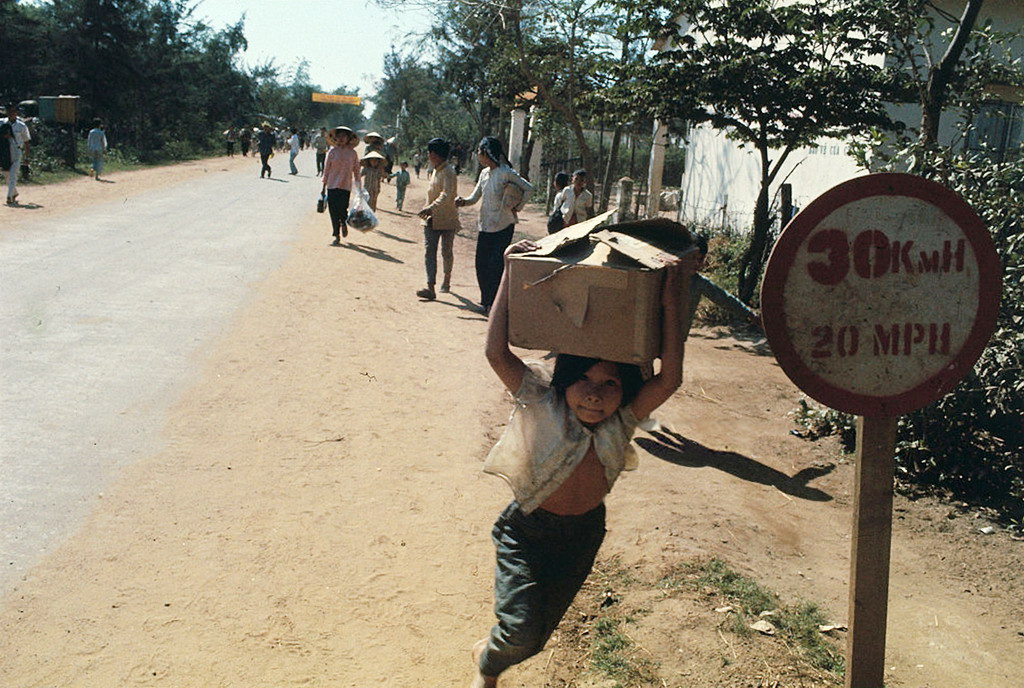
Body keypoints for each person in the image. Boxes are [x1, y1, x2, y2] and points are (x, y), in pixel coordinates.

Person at [471, 239, 693, 688]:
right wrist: (511, 272)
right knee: (521, 631)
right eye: (584, 380)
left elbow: (670, 376)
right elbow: (497, 353)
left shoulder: (623, 419)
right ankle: (488, 664)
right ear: (565, 380)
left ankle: (500, 646)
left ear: (625, 389)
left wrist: (670, 304)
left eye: (610, 383)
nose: (595, 393)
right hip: (527, 531)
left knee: (536, 637)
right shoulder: (541, 400)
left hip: (583, 535)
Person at [455, 136, 533, 314]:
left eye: (479, 152)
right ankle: (487, 301)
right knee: (481, 264)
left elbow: (529, 188)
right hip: (486, 225)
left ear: (486, 153)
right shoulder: (484, 174)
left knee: (495, 266)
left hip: (504, 225)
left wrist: (517, 206)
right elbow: (474, 198)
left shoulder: (506, 172)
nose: (477, 155)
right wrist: (463, 201)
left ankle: (494, 305)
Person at [686, 234, 761, 334]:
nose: (696, 263)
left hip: (677, 338)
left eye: (700, 259)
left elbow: (723, 298)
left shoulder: (699, 283)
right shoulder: (666, 275)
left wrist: (748, 314)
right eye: (692, 258)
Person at [416, 138, 460, 300]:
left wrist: (431, 207)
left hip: (447, 218)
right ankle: (430, 287)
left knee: (446, 252)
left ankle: (446, 280)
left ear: (434, 154)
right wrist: (428, 209)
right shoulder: (435, 170)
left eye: (430, 152)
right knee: (429, 252)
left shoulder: (449, 171)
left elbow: (446, 194)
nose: (428, 155)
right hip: (430, 219)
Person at [321, 126, 362, 245]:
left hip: (345, 186)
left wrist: (359, 187)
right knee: (333, 210)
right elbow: (326, 170)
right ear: (335, 138)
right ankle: (336, 235)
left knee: (343, 209)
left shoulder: (353, 154)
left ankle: (344, 223)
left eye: (344, 136)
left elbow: (357, 171)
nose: (341, 138)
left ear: (349, 138)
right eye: (339, 136)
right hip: (332, 185)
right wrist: (323, 188)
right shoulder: (332, 152)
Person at [3, 104, 31, 206]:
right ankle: (14, 192)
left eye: (13, 112)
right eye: (10, 112)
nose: (12, 114)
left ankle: (9, 197)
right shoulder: (2, 123)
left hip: (17, 150)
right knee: (6, 173)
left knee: (13, 174)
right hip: (4, 151)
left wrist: (27, 157)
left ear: (16, 113)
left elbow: (27, 141)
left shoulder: (21, 126)